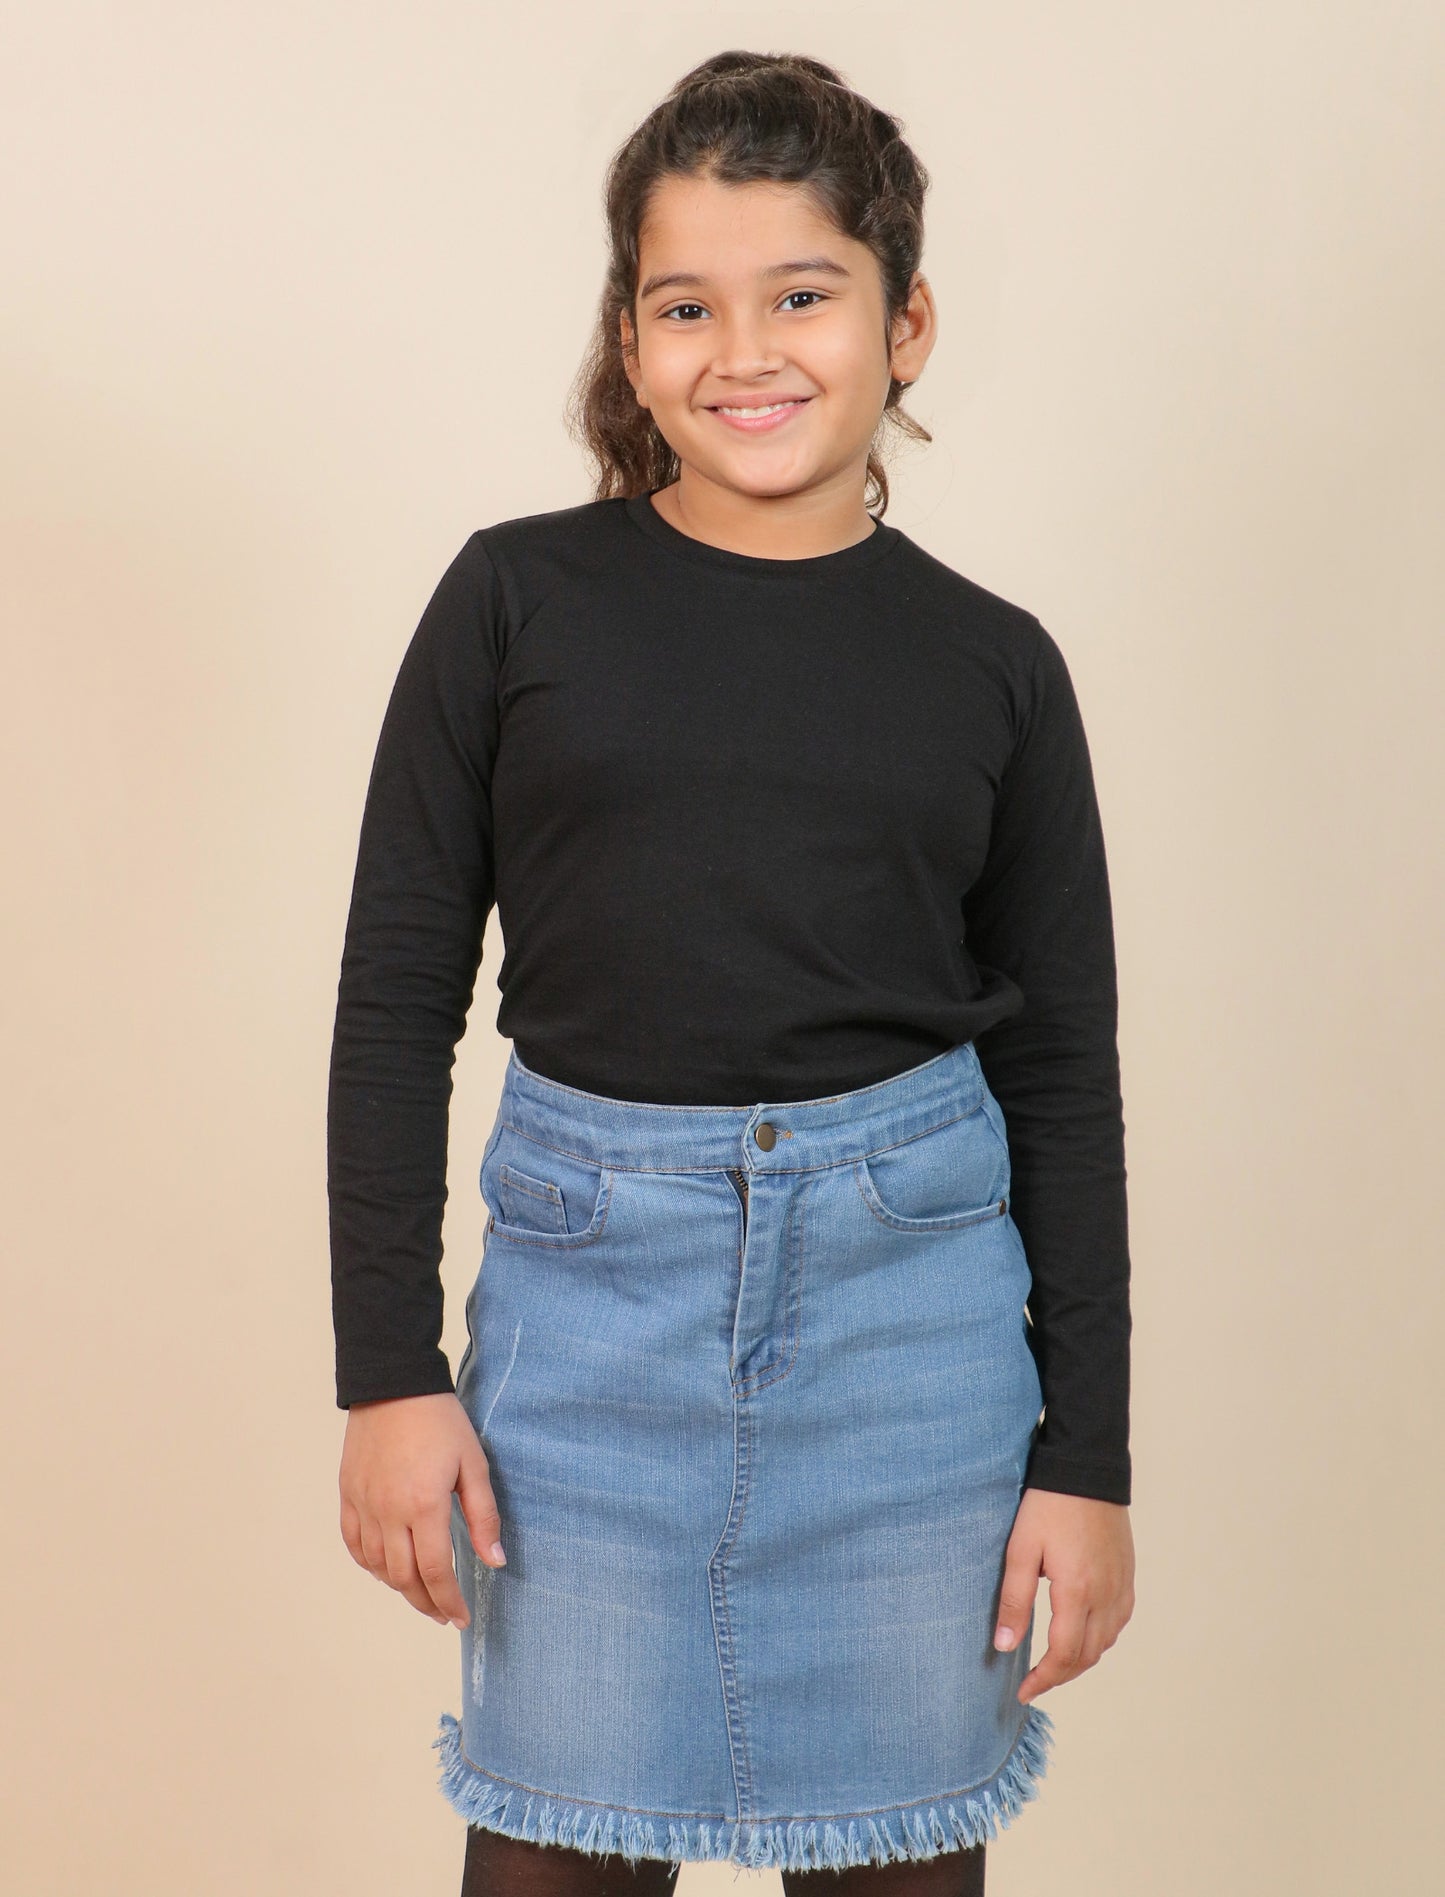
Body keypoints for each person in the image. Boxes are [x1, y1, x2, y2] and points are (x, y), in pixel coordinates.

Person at [327, 49, 1136, 1897]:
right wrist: (387, 1369)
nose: (744, 351)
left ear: (905, 321)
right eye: (686, 303)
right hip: (580, 1347)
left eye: (803, 295)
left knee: (896, 1865)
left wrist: (1082, 1460)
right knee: (554, 1861)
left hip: (912, 1354)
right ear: (628, 338)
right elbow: (394, 1002)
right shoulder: (510, 603)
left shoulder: (994, 668)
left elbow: (1064, 1077)